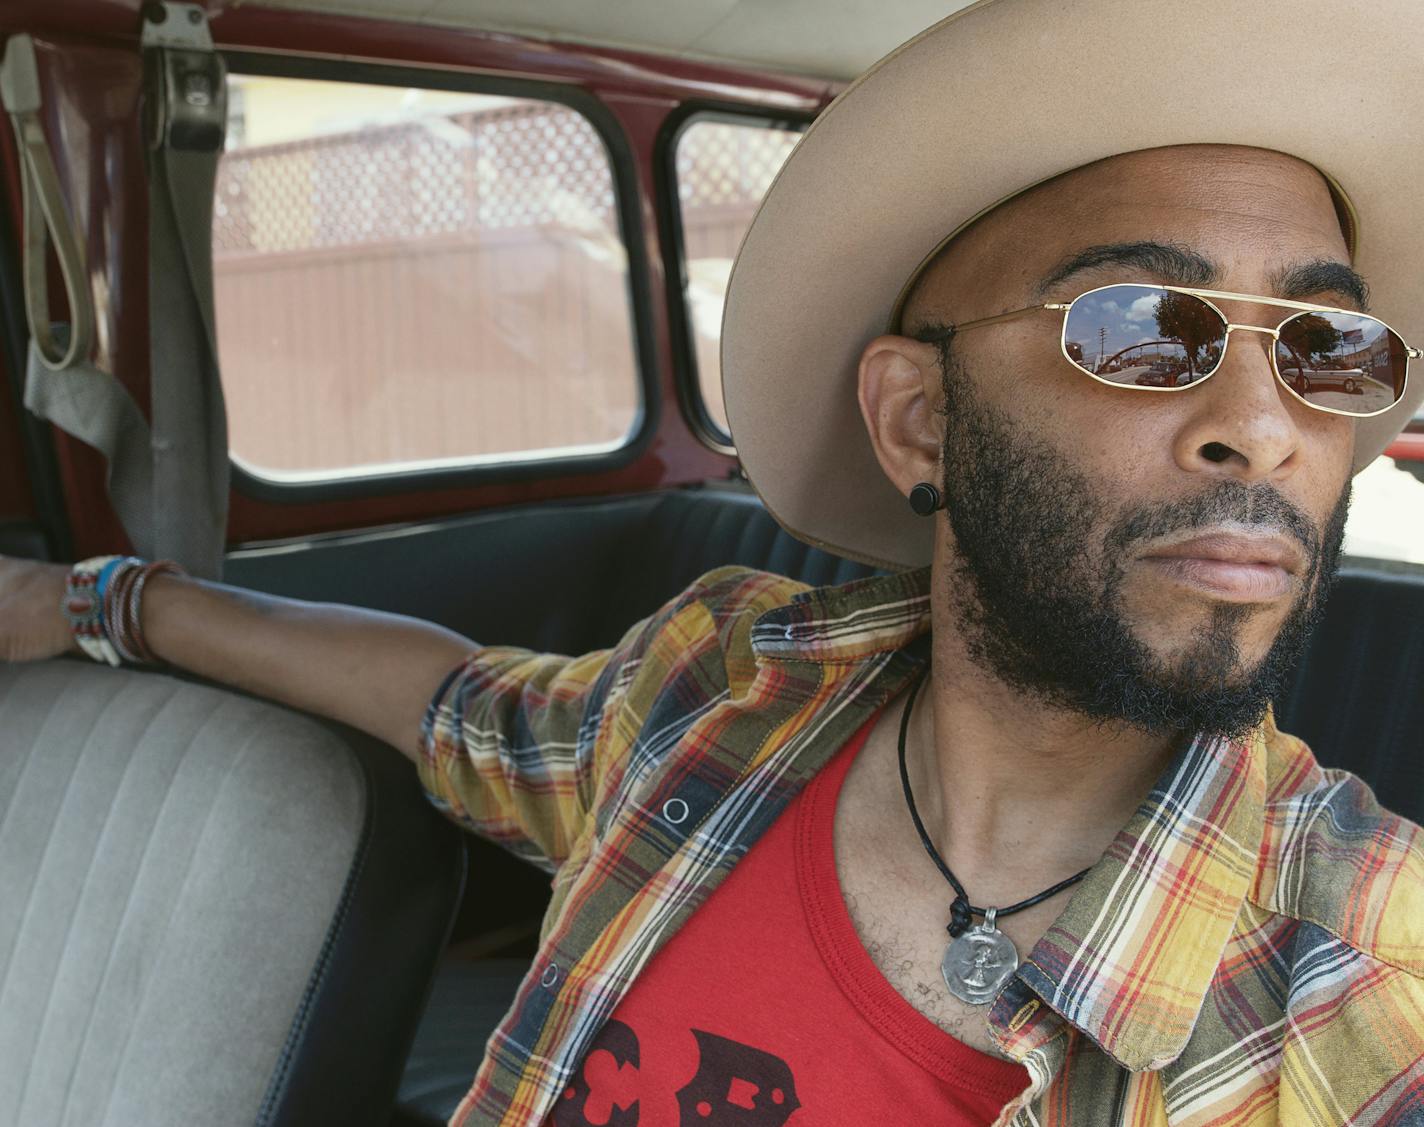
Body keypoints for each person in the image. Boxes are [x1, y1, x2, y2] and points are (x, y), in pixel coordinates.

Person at [3, 0, 1424, 1123]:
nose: (1265, 427)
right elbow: (450, 705)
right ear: (920, 421)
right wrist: (100, 598)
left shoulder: (1366, 983)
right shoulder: (723, 696)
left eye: (1329, 350)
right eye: (1138, 328)